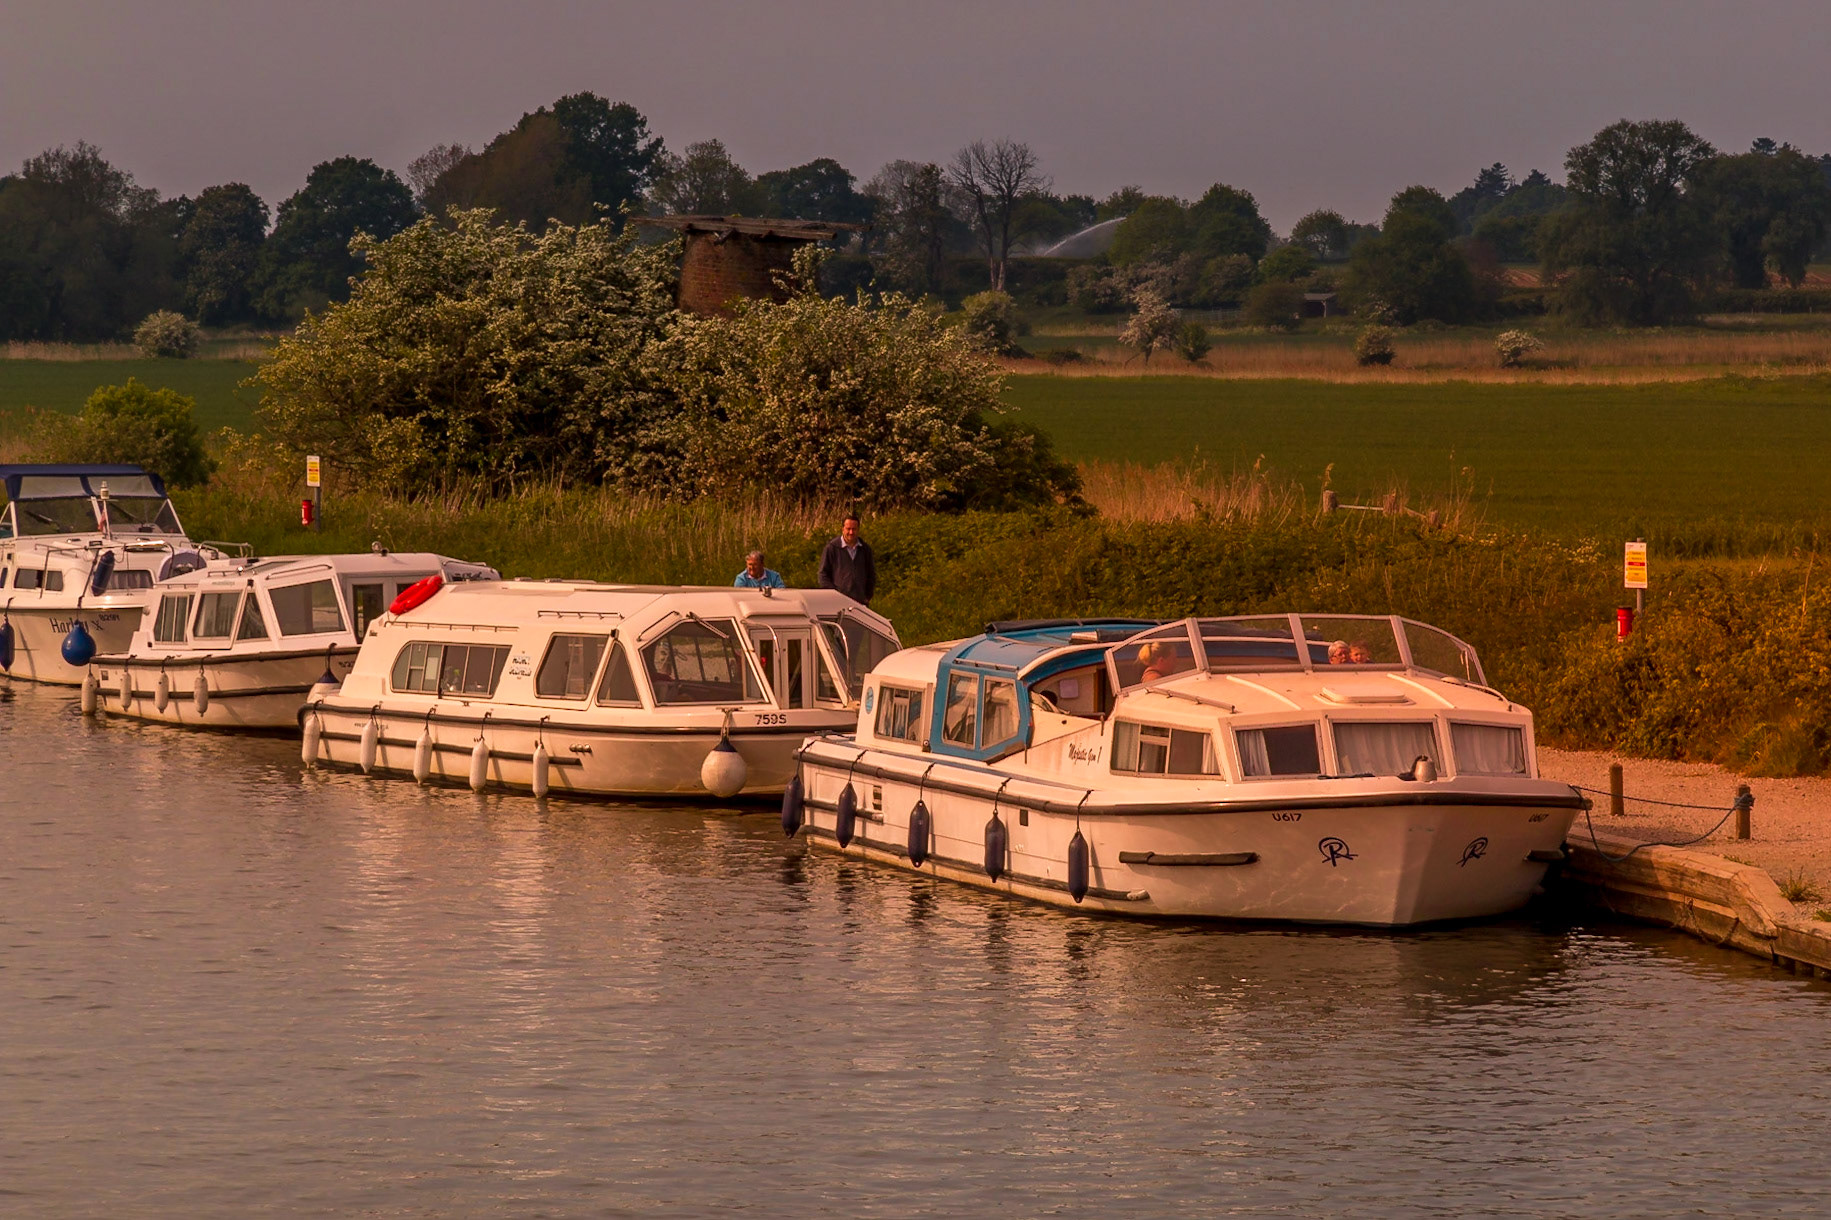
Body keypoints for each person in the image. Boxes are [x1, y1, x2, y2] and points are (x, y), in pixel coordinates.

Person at [817, 512, 876, 605]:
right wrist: (834, 593)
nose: (851, 532)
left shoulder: (865, 549)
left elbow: (871, 575)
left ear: (858, 530)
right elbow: (822, 575)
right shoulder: (832, 548)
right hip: (837, 602)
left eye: (854, 529)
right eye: (848, 529)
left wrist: (867, 596)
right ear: (842, 529)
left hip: (860, 603)